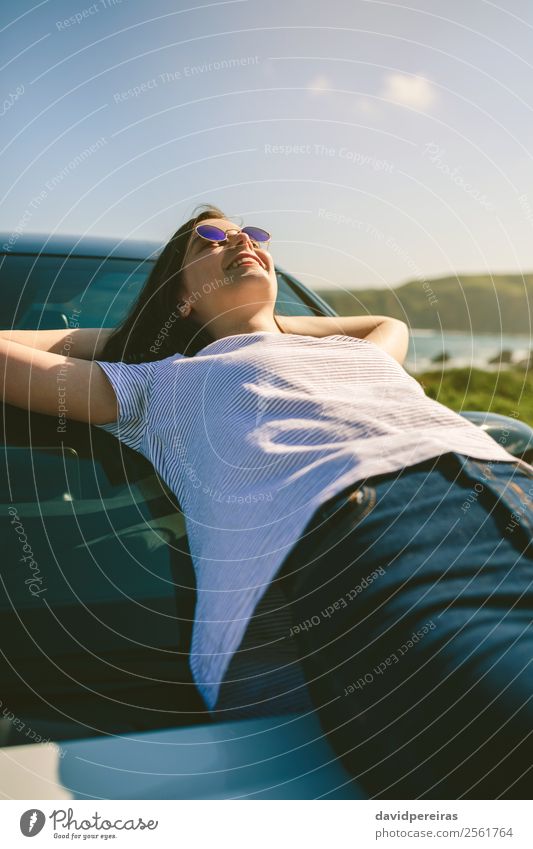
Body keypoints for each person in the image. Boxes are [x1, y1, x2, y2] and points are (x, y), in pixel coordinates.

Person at [1, 203, 532, 799]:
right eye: (210, 239)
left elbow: (386, 323)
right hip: (395, 540)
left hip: (510, 487)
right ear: (176, 292)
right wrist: (139, 338)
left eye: (251, 235)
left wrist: (268, 326)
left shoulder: (353, 354)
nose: (240, 243)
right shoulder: (159, 386)